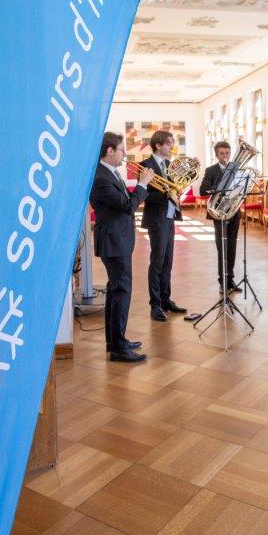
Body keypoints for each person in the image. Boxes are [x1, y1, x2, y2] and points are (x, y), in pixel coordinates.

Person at [90, 131, 154, 362]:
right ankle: (118, 349)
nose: (124, 154)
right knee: (122, 291)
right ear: (110, 151)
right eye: (121, 150)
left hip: (117, 239)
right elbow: (128, 206)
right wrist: (142, 184)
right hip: (113, 241)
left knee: (115, 290)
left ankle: (115, 341)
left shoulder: (110, 173)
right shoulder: (101, 178)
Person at [140, 130, 188, 321]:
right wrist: (166, 192)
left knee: (168, 261)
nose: (171, 147)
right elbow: (145, 194)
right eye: (168, 143)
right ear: (158, 145)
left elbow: (175, 191)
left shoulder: (169, 165)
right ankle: (155, 304)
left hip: (169, 217)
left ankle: (166, 300)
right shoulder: (145, 165)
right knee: (157, 262)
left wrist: (177, 190)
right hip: (156, 218)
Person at [200, 141, 242, 295]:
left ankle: (230, 279)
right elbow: (203, 190)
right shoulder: (211, 170)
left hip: (234, 211)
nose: (225, 156)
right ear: (216, 155)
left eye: (227, 153)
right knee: (222, 247)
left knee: (232, 246)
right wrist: (219, 186)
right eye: (222, 153)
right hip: (219, 212)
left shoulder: (237, 169)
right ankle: (222, 281)